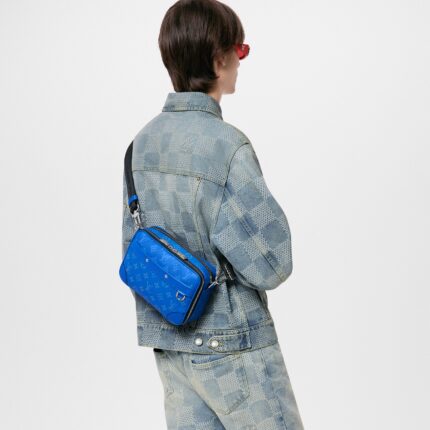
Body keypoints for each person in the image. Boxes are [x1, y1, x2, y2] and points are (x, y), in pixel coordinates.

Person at [121, 1, 305, 428]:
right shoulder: (227, 146)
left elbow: (134, 251)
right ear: (219, 58)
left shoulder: (139, 146)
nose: (240, 62)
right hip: (237, 347)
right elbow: (273, 264)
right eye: (240, 50)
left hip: (172, 346)